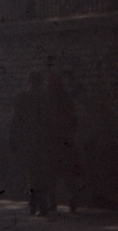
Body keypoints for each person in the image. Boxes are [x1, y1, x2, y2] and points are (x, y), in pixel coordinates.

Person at [10, 71, 54, 215]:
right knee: (41, 174)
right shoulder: (46, 98)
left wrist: (13, 139)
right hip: (43, 142)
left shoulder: (22, 98)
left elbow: (15, 121)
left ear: (29, 81)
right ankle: (38, 204)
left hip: (27, 141)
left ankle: (35, 204)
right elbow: (50, 121)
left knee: (32, 173)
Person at [46, 70, 84, 213]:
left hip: (54, 143)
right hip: (65, 142)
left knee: (52, 174)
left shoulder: (48, 100)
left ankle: (54, 203)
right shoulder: (65, 99)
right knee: (68, 174)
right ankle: (72, 200)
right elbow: (74, 121)